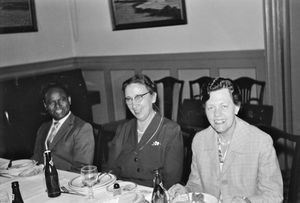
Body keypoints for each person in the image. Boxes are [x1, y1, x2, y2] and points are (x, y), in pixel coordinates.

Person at [168, 78, 283, 202]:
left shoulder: (261, 142)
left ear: (236, 107)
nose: (217, 114)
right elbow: (196, 184)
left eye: (224, 106)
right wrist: (185, 191)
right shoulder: (200, 140)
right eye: (211, 107)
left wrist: (248, 201)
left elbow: (274, 195)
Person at [105, 74, 184, 189]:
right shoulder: (123, 129)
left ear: (153, 97)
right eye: (129, 99)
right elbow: (111, 169)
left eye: (139, 97)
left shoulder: (171, 131)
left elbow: (171, 182)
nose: (134, 104)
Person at [32, 83, 94, 172]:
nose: (57, 105)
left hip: (66, 180)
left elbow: (81, 168)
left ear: (69, 100)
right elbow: (36, 159)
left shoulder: (82, 128)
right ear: (45, 105)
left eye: (62, 100)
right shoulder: (43, 128)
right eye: (51, 102)